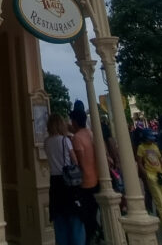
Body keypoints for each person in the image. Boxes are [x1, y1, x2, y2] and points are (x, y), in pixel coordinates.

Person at [45, 113, 85, 245]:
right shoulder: (65, 140)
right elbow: (74, 159)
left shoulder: (47, 142)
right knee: (74, 218)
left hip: (54, 182)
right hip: (68, 181)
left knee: (59, 220)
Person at [69, 101, 99, 245]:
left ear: (74, 121)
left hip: (85, 181)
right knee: (93, 211)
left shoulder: (77, 138)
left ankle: (90, 237)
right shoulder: (91, 133)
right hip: (97, 178)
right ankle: (95, 233)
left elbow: (79, 161)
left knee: (86, 214)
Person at [136, 128, 162, 241]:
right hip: (151, 176)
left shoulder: (154, 147)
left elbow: (160, 160)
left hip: (160, 175)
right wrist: (146, 174)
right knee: (160, 203)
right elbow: (139, 162)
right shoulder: (141, 148)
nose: (151, 141)